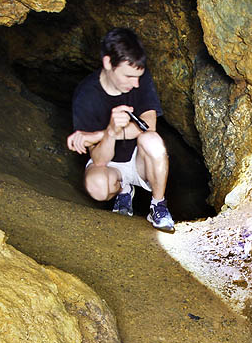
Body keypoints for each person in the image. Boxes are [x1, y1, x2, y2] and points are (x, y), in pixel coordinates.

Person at [66, 27, 175, 232]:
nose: (135, 84)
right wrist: (109, 132)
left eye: (138, 77)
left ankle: (158, 206)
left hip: (139, 160)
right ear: (108, 63)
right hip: (110, 163)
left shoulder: (139, 78)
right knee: (97, 186)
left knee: (153, 140)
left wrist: (96, 135)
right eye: (128, 76)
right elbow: (99, 160)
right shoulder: (86, 95)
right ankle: (123, 192)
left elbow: (149, 125)